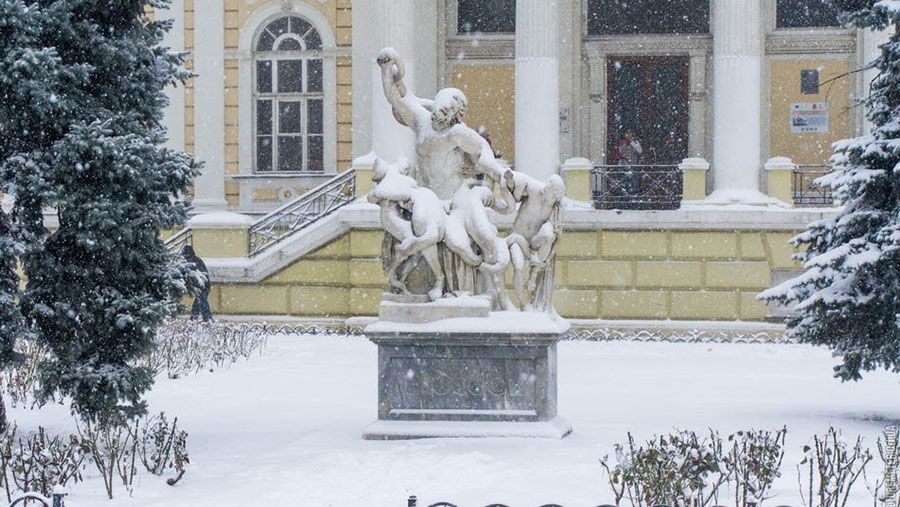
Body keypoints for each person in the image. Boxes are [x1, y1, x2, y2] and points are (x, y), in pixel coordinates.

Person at [182, 245, 211, 322]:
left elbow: (197, 275)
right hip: (202, 285)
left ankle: (207, 319)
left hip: (202, 286)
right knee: (198, 303)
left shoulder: (194, 262)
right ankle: (195, 318)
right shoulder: (195, 260)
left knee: (202, 302)